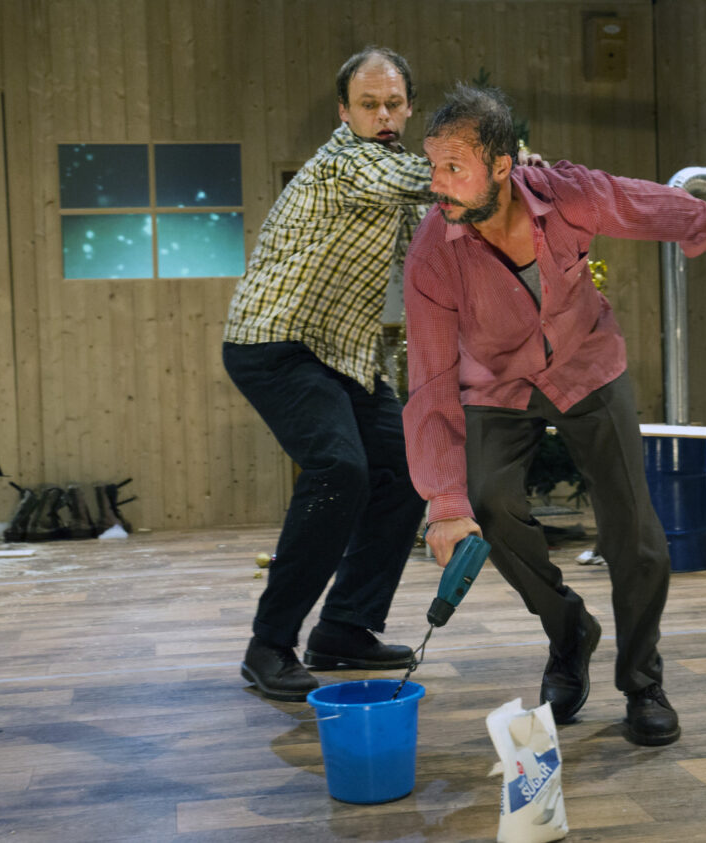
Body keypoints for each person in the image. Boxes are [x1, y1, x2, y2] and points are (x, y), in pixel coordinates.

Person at [402, 85, 706, 745]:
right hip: (496, 386)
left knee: (634, 530)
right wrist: (445, 500)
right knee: (490, 504)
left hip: (587, 367)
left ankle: (642, 682)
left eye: (453, 167)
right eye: (433, 165)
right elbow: (430, 382)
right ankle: (570, 634)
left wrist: (699, 220)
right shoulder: (433, 254)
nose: (437, 182)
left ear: (501, 167)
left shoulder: (564, 194)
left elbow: (631, 201)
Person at [222, 46, 434, 702]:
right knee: (339, 470)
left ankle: (344, 627)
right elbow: (437, 183)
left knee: (407, 469)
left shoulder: (398, 175)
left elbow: (435, 244)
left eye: (393, 103)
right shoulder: (348, 162)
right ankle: (268, 643)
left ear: (409, 107)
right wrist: (503, 167)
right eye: (369, 105)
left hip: (344, 355)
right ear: (345, 112)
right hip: (274, 343)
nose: (383, 116)